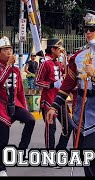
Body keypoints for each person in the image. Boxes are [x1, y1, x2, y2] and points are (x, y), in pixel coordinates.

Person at [46, 10, 95, 176]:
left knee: (89, 152)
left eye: (92, 28)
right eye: (86, 29)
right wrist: (54, 106)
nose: (88, 32)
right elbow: (68, 83)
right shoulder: (78, 54)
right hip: (80, 109)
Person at [0, 36, 35, 176]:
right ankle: (1, 167)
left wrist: (24, 108)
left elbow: (19, 90)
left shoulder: (15, 69)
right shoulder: (7, 67)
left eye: (10, 49)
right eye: (5, 49)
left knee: (31, 120)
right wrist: (8, 65)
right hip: (1, 106)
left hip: (14, 104)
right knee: (3, 139)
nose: (9, 52)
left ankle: (22, 150)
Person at [35, 39, 73, 152]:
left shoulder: (57, 63)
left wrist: (66, 61)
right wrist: (52, 84)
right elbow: (37, 82)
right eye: (59, 49)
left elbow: (65, 75)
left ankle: (60, 149)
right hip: (48, 100)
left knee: (69, 126)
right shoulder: (45, 63)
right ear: (53, 49)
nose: (61, 51)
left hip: (60, 99)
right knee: (51, 128)